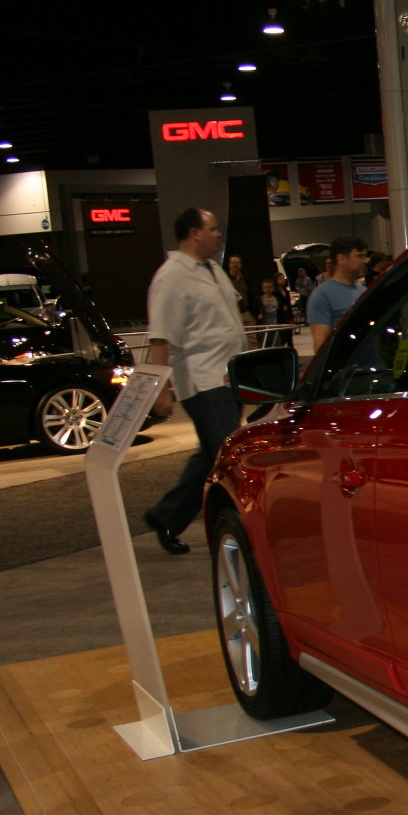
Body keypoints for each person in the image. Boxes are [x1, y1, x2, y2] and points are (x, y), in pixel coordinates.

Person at [142, 208, 245, 556]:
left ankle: (166, 516)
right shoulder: (171, 277)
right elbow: (161, 339)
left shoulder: (213, 269)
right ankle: (237, 526)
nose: (218, 235)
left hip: (227, 376)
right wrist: (162, 389)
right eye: (212, 230)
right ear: (193, 233)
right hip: (202, 379)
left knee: (210, 454)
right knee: (227, 456)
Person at [304, 236, 371, 351]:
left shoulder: (364, 292)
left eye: (365, 256)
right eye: (360, 256)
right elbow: (321, 346)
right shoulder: (322, 295)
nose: (365, 260)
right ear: (342, 259)